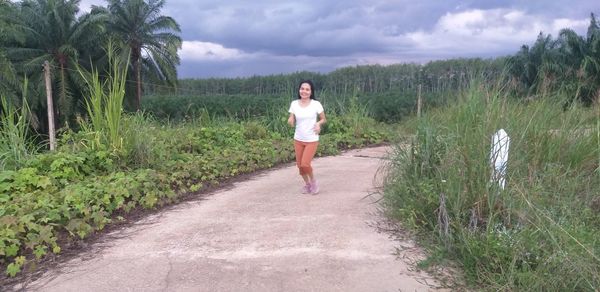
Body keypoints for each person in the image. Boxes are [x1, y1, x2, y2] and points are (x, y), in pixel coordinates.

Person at [287, 80, 326, 195]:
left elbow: (323, 119)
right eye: (302, 89)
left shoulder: (316, 104)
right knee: (300, 166)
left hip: (311, 139)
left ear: (311, 92)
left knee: (305, 164)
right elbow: (292, 117)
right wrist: (291, 119)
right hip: (298, 138)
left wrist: (318, 124)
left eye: (307, 89)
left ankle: (313, 183)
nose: (304, 91)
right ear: (299, 90)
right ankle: (307, 185)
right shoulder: (294, 103)